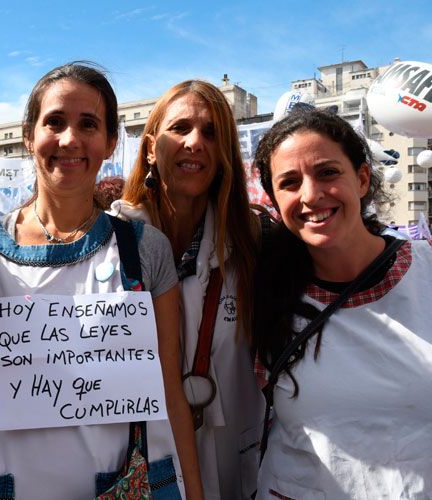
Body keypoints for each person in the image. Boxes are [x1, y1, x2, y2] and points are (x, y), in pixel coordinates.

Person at [0, 62, 202, 499]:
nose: (70, 139)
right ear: (28, 135)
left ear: (110, 142)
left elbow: (169, 389)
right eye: (54, 121)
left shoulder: (145, 249)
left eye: (88, 124)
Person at [252, 108, 432, 497]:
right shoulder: (261, 290)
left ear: (363, 178)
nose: (311, 195)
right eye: (290, 182)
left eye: (327, 172)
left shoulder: (427, 269)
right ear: (274, 201)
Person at [113, 80, 265, 499]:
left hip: (233, 460)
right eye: (180, 128)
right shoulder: (110, 245)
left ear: (224, 154)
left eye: (211, 132)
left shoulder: (255, 245)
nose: (195, 142)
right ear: (148, 148)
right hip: (140, 462)